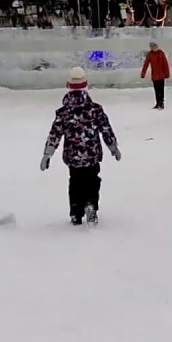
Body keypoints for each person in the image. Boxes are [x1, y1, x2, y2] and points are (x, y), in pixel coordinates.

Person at [41, 67, 121, 225]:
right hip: (92, 155)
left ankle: (76, 212)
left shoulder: (64, 113)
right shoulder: (95, 110)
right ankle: (91, 204)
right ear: (86, 85)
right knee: (92, 181)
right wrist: (113, 147)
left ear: (68, 85)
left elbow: (55, 134)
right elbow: (106, 129)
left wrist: (47, 154)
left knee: (75, 182)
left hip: (73, 156)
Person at [140, 41, 171, 109]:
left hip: (161, 75)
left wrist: (167, 74)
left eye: (155, 47)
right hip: (154, 76)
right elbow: (146, 64)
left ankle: (161, 103)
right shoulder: (150, 55)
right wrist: (143, 73)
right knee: (156, 90)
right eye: (152, 47)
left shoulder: (161, 53)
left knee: (161, 90)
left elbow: (165, 64)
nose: (154, 48)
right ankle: (157, 103)